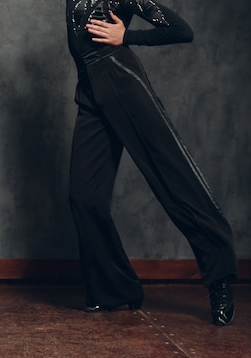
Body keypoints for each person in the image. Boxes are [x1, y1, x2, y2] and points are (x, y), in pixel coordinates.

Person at [65, 0, 236, 325]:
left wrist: (126, 37)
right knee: (84, 197)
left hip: (123, 82)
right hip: (90, 95)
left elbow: (182, 31)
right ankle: (113, 290)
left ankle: (219, 277)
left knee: (173, 178)